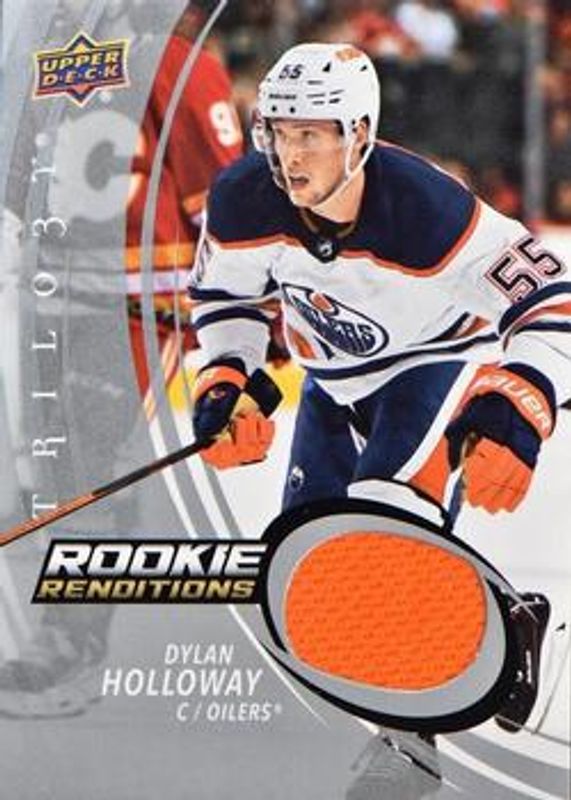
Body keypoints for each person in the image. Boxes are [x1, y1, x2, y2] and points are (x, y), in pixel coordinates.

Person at [188, 42, 568, 798]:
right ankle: (505, 619)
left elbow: (554, 298)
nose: (289, 155)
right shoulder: (243, 197)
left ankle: (409, 745)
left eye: (310, 134)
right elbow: (226, 299)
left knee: (377, 541)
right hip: (330, 384)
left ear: (358, 133)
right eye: (278, 132)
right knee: (303, 565)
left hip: (431, 369)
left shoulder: (428, 210)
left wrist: (518, 403)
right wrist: (227, 375)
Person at [0, 3, 245, 720]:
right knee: (59, 468)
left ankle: (70, 649)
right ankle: (65, 632)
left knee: (84, 467)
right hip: (65, 296)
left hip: (133, 304)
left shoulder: (146, 66)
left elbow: (225, 209)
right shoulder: (127, 63)